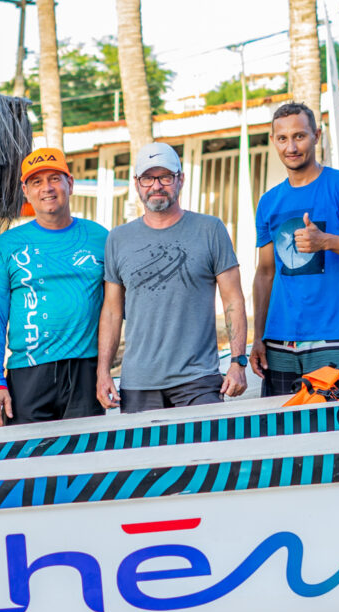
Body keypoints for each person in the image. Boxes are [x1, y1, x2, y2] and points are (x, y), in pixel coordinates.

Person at [97, 142, 248, 413]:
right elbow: (111, 311)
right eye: (148, 178)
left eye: (165, 177)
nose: (156, 185)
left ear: (181, 179)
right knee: (143, 445)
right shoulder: (118, 239)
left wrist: (238, 362)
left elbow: (233, 300)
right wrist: (103, 372)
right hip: (138, 383)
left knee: (204, 443)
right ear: (137, 183)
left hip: (198, 380)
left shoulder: (210, 230)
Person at [250, 102, 339, 396]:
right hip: (279, 341)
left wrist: (326, 241)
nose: (291, 147)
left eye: (299, 136)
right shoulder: (268, 201)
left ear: (316, 135)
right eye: (283, 138)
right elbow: (265, 273)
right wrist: (258, 337)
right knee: (281, 424)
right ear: (273, 141)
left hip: (336, 336)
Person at [0, 147, 108, 425]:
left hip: (86, 371)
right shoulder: (8, 244)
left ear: (70, 184)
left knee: (85, 450)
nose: (47, 188)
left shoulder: (100, 237)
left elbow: (117, 307)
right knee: (26, 453)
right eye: (37, 182)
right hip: (28, 373)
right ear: (25, 191)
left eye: (54, 179)